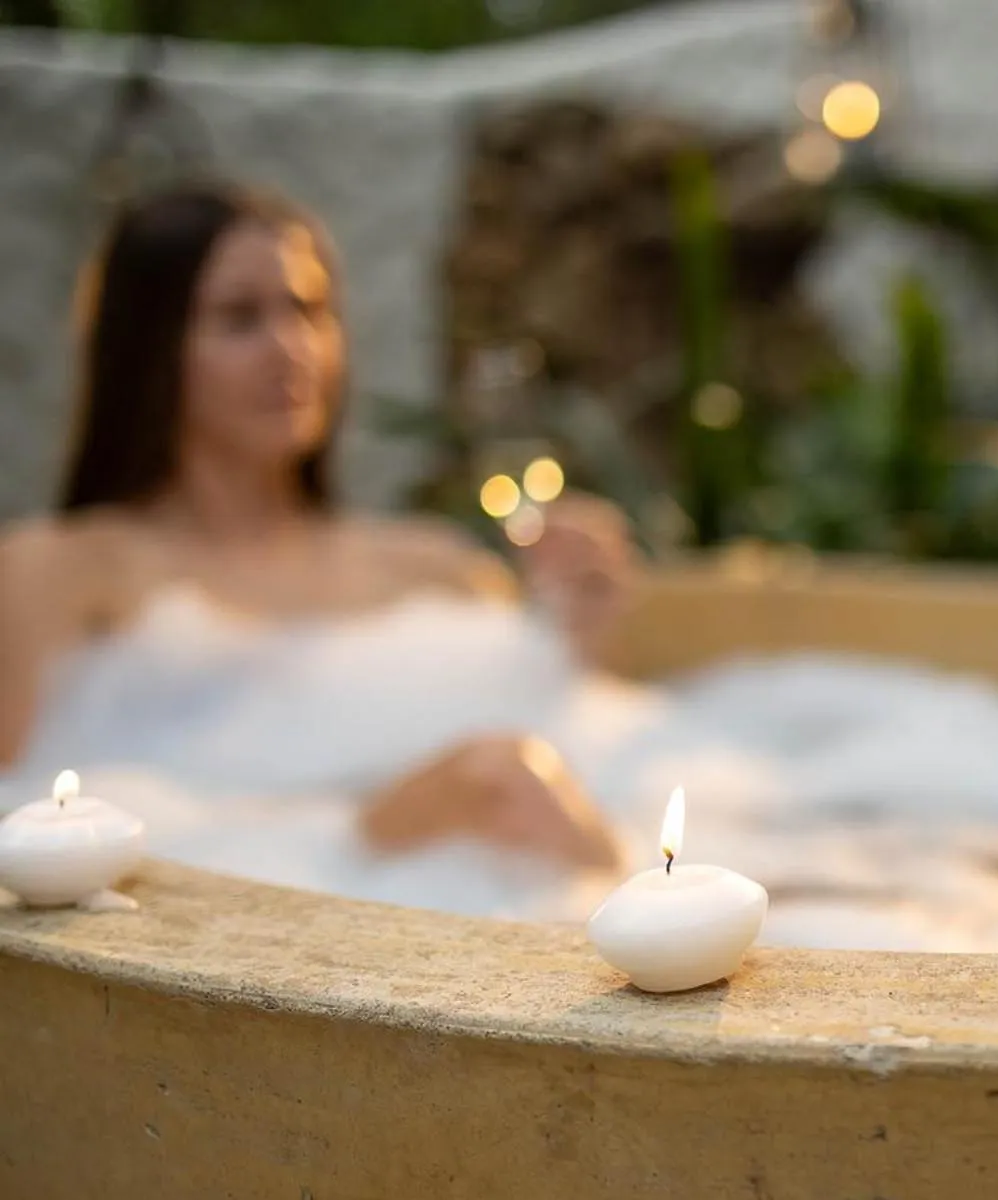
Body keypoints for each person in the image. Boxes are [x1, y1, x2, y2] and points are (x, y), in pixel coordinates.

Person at [0, 181, 635, 870]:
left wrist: (578, 632)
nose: (290, 348)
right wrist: (379, 826)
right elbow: (28, 826)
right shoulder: (62, 570)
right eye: (240, 318)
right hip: (257, 896)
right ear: (148, 348)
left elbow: (591, 747)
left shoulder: (436, 567)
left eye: (308, 310)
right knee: (498, 773)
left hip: (474, 896)